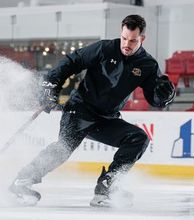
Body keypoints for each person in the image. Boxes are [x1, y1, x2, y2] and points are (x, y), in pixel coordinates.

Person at [9, 14, 175, 207]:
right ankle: (22, 181)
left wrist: (164, 96)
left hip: (106, 119)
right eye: (124, 38)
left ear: (142, 39)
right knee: (64, 147)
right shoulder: (105, 48)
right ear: (121, 33)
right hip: (79, 110)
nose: (126, 44)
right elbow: (72, 61)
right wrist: (51, 84)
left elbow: (154, 98)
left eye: (133, 40)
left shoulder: (147, 65)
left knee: (138, 138)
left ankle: (107, 187)